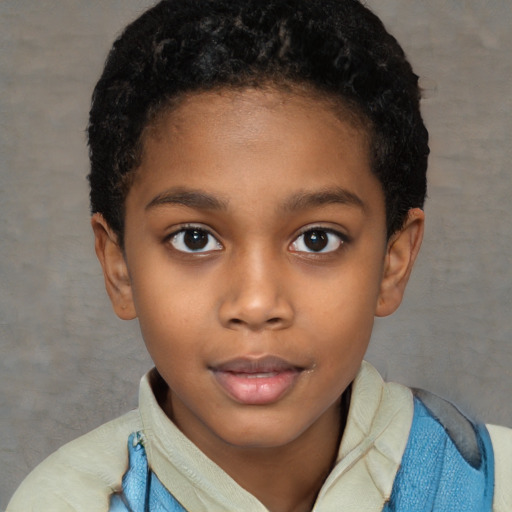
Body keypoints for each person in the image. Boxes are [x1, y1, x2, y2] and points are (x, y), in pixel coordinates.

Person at [7, 0, 512, 511]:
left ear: (393, 261)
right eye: (194, 239)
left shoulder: (496, 488)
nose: (255, 303)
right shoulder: (62, 502)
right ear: (119, 267)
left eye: (318, 239)